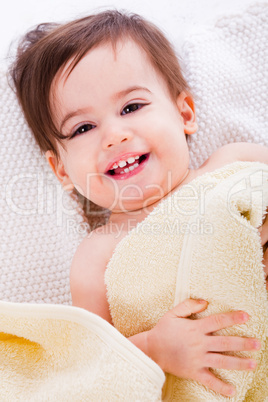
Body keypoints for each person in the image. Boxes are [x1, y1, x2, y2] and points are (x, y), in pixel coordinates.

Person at [10, 10, 268, 398]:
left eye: (131, 107)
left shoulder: (235, 163)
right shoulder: (98, 256)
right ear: (60, 169)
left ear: (185, 113)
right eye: (83, 128)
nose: (114, 136)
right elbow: (96, 365)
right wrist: (154, 348)